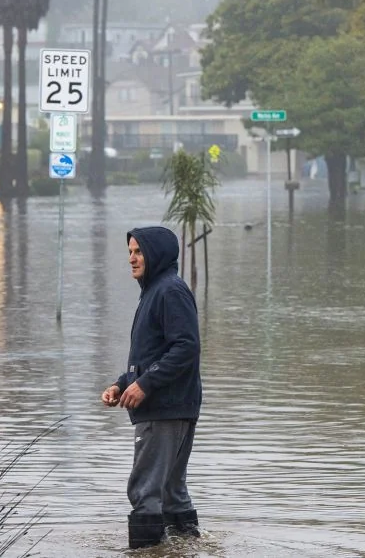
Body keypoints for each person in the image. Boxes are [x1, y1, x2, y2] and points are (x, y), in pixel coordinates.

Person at [101, 226, 203, 549]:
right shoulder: (155, 291)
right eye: (130, 252)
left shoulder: (168, 291)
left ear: (156, 254)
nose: (132, 258)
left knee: (145, 493)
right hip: (172, 406)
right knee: (172, 494)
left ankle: (146, 554)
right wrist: (122, 384)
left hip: (163, 410)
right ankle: (186, 550)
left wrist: (145, 385)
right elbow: (153, 353)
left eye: (138, 251)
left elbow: (186, 347)